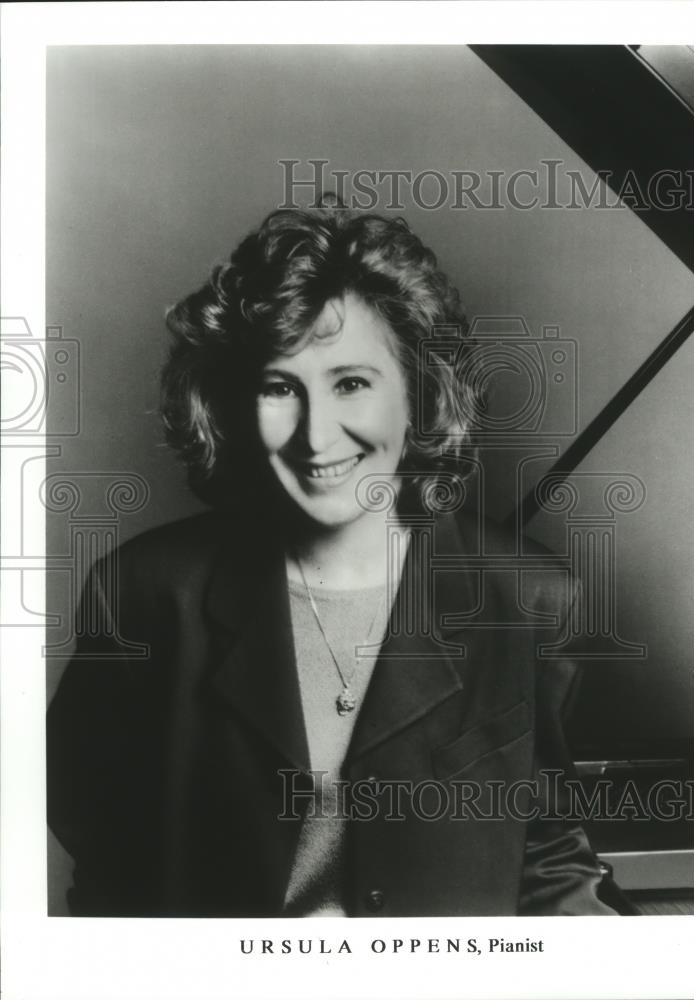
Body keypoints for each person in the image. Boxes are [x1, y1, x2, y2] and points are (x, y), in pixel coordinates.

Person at [47, 202, 624, 917]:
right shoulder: (145, 594)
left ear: (418, 393)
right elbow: (106, 862)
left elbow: (545, 849)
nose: (317, 436)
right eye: (279, 387)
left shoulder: (531, 601)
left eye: (352, 382)